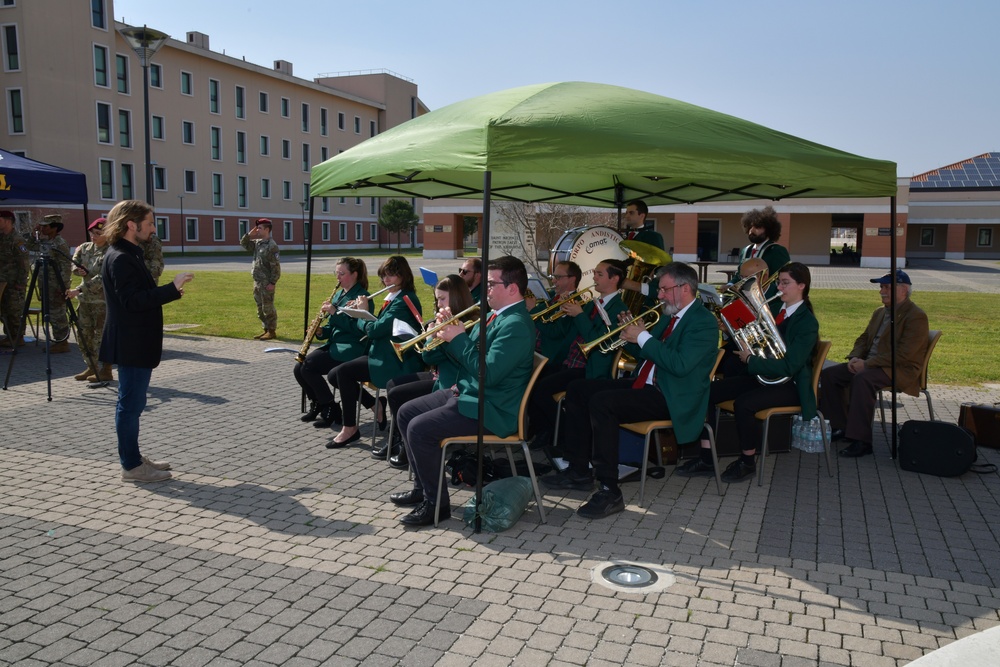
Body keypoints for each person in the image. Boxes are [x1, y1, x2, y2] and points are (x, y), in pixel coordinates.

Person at [544, 262, 719, 519]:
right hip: (648, 384)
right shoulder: (671, 313)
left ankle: (609, 489)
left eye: (663, 289)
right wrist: (631, 336)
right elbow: (645, 354)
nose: (658, 295)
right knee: (578, 388)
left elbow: (680, 366)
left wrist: (644, 337)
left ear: (684, 288)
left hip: (672, 396)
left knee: (603, 403)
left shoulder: (703, 322)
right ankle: (579, 471)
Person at [390, 255, 535, 527]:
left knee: (419, 429)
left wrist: (457, 339)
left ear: (512, 288)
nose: (486, 289)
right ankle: (423, 489)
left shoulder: (515, 325)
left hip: (492, 409)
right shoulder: (494, 316)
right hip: (472, 394)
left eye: (491, 284)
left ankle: (436, 506)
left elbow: (488, 374)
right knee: (406, 412)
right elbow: (467, 357)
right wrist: (445, 335)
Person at [677, 262, 819, 482]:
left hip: (790, 384)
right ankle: (706, 457)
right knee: (706, 391)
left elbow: (790, 366)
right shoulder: (775, 312)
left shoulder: (807, 322)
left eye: (785, 283)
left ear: (802, 285)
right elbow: (760, 343)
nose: (779, 287)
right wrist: (734, 332)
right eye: (779, 282)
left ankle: (747, 461)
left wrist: (751, 359)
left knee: (744, 403)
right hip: (765, 377)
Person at [99, 200, 194, 483]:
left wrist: (169, 292)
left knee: (132, 404)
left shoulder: (130, 253)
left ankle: (134, 457)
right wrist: (172, 288)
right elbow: (133, 301)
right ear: (132, 224)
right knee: (130, 406)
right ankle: (131, 466)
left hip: (136, 342)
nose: (153, 229)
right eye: (150, 223)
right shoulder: (121, 257)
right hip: (132, 343)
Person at [819, 270, 929, 458]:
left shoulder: (915, 316)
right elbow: (864, 339)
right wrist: (854, 357)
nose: (881, 291)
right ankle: (840, 426)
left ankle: (861, 441)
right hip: (871, 364)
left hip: (900, 368)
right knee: (830, 375)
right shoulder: (879, 313)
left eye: (887, 287)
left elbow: (904, 354)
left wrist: (867, 364)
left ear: (904, 290)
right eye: (881, 287)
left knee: (862, 379)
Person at [527, 259, 628, 452]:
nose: (594, 277)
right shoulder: (592, 302)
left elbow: (598, 340)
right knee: (531, 383)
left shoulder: (618, 309)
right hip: (570, 361)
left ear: (614, 278)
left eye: (599, 274)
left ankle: (561, 436)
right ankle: (550, 433)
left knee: (541, 390)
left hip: (587, 367)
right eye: (595, 273)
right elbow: (565, 332)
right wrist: (563, 306)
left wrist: (579, 314)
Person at [326, 255, 424, 448]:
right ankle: (371, 407)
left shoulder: (404, 300)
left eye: (391, 276)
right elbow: (376, 328)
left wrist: (361, 313)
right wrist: (355, 312)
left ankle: (350, 428)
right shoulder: (393, 297)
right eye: (383, 276)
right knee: (335, 374)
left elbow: (375, 329)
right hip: (381, 354)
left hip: (395, 361)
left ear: (403, 276)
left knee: (343, 373)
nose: (386, 281)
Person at [380, 274, 475, 468]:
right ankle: (399, 441)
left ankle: (406, 448)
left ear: (456, 298)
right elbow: (428, 357)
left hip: (450, 385)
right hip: (441, 379)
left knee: (400, 396)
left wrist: (436, 337)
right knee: (393, 386)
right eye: (437, 299)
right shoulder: (448, 323)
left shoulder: (466, 324)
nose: (438, 304)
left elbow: (437, 357)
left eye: (442, 299)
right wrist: (431, 336)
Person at [294, 257, 372, 426]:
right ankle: (318, 404)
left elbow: (359, 328)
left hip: (352, 347)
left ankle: (330, 407)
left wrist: (335, 312)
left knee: (309, 366)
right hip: (336, 344)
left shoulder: (363, 297)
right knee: (298, 368)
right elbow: (332, 326)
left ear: (354, 274)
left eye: (342, 274)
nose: (338, 278)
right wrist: (321, 331)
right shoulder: (339, 294)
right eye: (336, 273)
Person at [65, 217, 111, 381]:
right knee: (84, 336)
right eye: (92, 233)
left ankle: (106, 369)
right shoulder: (84, 248)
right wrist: (78, 270)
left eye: (98, 233)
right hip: (85, 302)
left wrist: (78, 289)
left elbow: (103, 278)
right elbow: (73, 264)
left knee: (101, 337)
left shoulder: (110, 252)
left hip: (102, 302)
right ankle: (91, 366)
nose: (94, 236)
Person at [24, 214, 73, 352]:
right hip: (45, 283)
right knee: (50, 312)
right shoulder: (46, 242)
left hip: (55, 285)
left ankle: (62, 342)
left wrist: (63, 286)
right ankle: (57, 340)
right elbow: (29, 245)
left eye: (46, 226)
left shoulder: (59, 243)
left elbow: (66, 266)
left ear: (54, 227)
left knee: (57, 313)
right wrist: (34, 234)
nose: (43, 228)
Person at [525, 261, 582, 368]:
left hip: (547, 357)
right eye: (553, 276)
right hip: (531, 349)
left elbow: (555, 332)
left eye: (558, 277)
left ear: (572, 279)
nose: (553, 280)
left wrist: (533, 310)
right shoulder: (549, 295)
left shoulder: (575, 304)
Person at [736, 205, 790, 311]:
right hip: (746, 299)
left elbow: (782, 279)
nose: (752, 230)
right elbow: (739, 275)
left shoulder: (777, 250)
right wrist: (729, 285)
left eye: (757, 227)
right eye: (750, 227)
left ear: (769, 230)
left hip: (768, 303)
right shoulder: (745, 250)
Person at [240, 217, 281, 340]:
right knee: (260, 309)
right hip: (257, 281)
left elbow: (276, 266)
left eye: (260, 228)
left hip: (266, 282)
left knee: (267, 308)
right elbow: (244, 244)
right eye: (257, 227)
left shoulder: (272, 246)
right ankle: (266, 330)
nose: (257, 230)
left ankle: (272, 331)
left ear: (267, 229)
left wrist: (273, 282)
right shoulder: (258, 243)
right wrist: (248, 235)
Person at [0, 210, 30, 348]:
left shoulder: (17, 239)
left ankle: (18, 337)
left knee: (15, 310)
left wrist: (21, 282)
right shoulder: (2, 238)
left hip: (14, 282)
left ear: (7, 220)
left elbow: (24, 263)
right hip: (2, 282)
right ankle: (9, 336)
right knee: (5, 309)